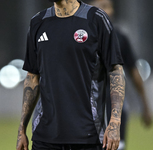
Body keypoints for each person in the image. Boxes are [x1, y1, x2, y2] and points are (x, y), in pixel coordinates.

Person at [16, 0, 125, 150]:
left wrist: (115, 122)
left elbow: (115, 70)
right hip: (45, 138)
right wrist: (22, 128)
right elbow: (32, 77)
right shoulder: (38, 22)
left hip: (88, 136)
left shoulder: (96, 19)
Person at [89, 0, 152, 149]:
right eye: (103, 6)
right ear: (90, 8)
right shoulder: (79, 39)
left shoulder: (120, 38)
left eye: (110, 6)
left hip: (114, 109)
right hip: (86, 110)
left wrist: (145, 105)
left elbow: (134, 73)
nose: (109, 11)